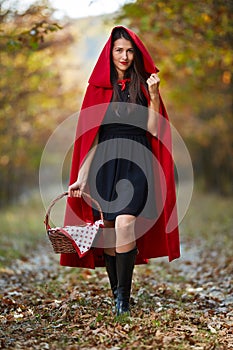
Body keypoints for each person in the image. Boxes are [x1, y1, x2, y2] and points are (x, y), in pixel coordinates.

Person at [61, 26, 180, 316]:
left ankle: (123, 301)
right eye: (118, 50)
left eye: (129, 50)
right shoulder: (98, 89)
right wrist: (83, 175)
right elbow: (92, 139)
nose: (124, 56)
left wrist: (153, 95)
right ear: (109, 53)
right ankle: (117, 294)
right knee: (112, 230)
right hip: (106, 163)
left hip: (139, 161)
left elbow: (154, 129)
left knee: (126, 223)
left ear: (135, 53)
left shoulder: (143, 85)